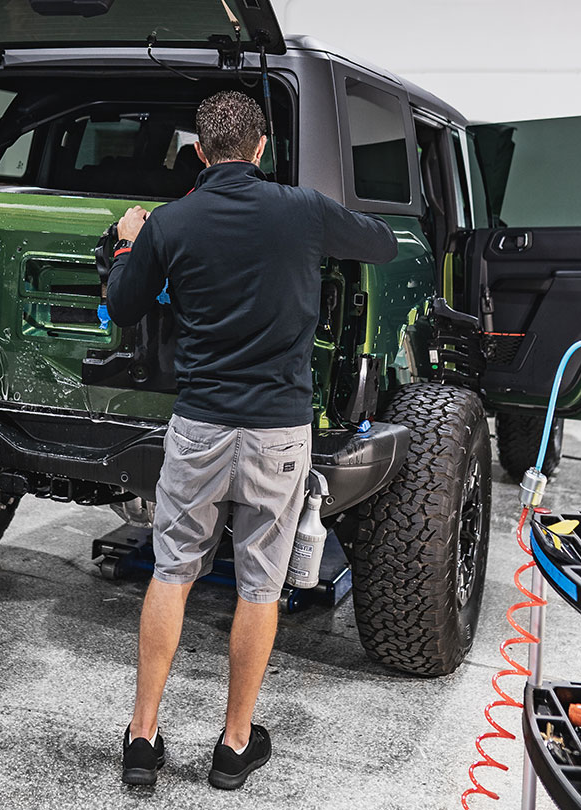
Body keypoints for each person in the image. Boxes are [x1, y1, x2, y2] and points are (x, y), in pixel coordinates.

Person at [106, 89, 398, 790]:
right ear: (261, 147)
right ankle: (235, 746)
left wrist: (127, 239)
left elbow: (121, 304)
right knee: (260, 588)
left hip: (200, 426)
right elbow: (382, 244)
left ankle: (142, 738)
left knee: (172, 572)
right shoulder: (300, 210)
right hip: (277, 432)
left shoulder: (171, 223)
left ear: (200, 152)